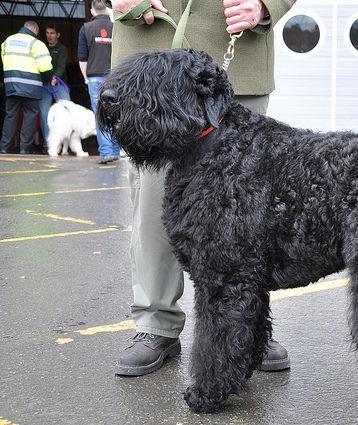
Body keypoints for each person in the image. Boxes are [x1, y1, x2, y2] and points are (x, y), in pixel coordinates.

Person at [110, 0, 295, 376]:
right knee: (153, 207)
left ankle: (248, 326)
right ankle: (155, 323)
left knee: (248, 212)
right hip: (147, 57)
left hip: (236, 53)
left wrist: (267, 5)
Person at [0, 21, 53, 154]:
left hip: (11, 84)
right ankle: (25, 148)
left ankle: (4, 147)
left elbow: (3, 60)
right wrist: (47, 79)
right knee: (30, 116)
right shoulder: (37, 44)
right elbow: (45, 67)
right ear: (35, 30)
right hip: (31, 87)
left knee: (11, 115)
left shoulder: (8, 41)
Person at [78, 0, 120, 164]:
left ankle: (106, 153)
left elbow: (82, 57)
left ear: (92, 10)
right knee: (117, 113)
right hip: (114, 76)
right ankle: (117, 151)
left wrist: (85, 78)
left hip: (95, 77)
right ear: (106, 9)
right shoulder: (114, 27)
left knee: (100, 115)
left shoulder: (86, 28)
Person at [39, 24, 71, 150]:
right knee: (44, 114)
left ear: (58, 35)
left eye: (52, 33)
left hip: (59, 84)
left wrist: (55, 77)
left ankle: (66, 145)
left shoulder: (62, 49)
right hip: (44, 85)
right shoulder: (43, 48)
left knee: (67, 110)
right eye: (47, 33)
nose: (49, 36)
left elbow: (61, 66)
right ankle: (48, 144)